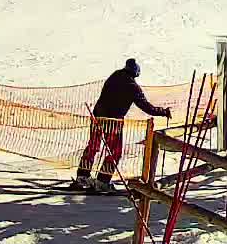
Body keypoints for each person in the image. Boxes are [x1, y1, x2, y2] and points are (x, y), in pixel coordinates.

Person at [73, 58, 173, 192]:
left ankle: (83, 176)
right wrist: (163, 112)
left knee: (93, 147)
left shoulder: (115, 75)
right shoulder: (133, 87)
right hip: (114, 122)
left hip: (98, 117)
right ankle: (102, 181)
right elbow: (146, 106)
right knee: (115, 152)